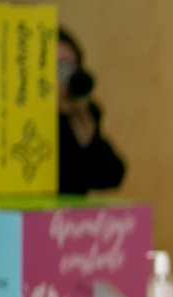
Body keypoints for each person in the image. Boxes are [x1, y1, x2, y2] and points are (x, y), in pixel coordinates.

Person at [58, 27, 126, 195]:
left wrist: (79, 117)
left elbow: (110, 175)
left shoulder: (83, 113)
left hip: (67, 211)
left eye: (69, 67)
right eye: (57, 67)